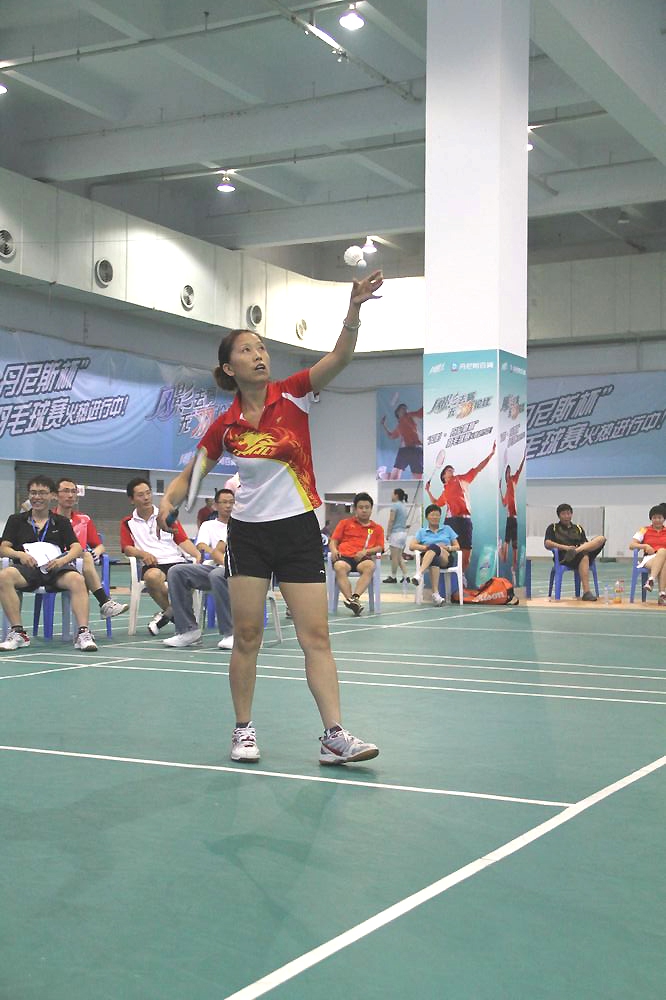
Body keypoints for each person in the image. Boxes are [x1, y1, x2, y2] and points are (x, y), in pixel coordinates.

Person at [159, 270, 383, 765]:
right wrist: (169, 500)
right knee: (247, 636)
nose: (259, 354)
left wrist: (354, 309)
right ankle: (243, 729)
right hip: (249, 537)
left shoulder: (295, 392)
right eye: (247, 349)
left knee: (316, 636)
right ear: (229, 367)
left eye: (261, 347)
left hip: (299, 529)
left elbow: (340, 357)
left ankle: (334, 735)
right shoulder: (226, 425)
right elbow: (193, 471)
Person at [0, 474, 98, 651]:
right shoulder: (16, 520)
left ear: (52, 495)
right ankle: (18, 633)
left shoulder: (61, 521)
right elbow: (3, 548)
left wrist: (63, 560)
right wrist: (19, 555)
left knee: (77, 580)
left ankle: (83, 633)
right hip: (26, 569)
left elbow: (76, 547)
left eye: (42, 493)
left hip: (55, 570)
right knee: (4, 576)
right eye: (33, 493)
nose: (37, 497)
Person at [121, 477, 201, 635]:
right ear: (131, 499)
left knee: (191, 575)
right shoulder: (127, 522)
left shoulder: (165, 516)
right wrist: (143, 553)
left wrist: (197, 554)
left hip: (176, 561)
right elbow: (127, 548)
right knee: (152, 577)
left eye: (148, 493)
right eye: (140, 495)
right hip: (152, 564)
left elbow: (182, 540)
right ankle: (179, 618)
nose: (146, 498)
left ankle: (168, 615)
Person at [164, 487, 235, 648]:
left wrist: (219, 555)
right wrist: (216, 554)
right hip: (215, 568)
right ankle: (188, 630)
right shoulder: (209, 525)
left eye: (232, 502)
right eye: (224, 502)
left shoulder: (242, 523)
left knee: (217, 575)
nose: (228, 506)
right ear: (215, 505)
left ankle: (231, 633)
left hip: (239, 572)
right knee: (177, 572)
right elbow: (203, 546)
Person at [53, 477, 128, 620]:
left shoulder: (84, 520)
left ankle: (87, 623)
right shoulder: (49, 519)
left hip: (80, 565)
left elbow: (99, 545)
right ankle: (104, 602)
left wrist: (96, 553)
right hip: (57, 565)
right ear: (55, 495)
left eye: (73, 491)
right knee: (86, 556)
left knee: (87, 556)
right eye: (66, 491)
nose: (70, 495)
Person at [425, 441, 496, 577]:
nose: (452, 470)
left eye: (452, 469)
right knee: (446, 550)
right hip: (451, 522)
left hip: (465, 521)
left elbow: (478, 468)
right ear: (443, 476)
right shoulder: (445, 492)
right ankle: (445, 575)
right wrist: (428, 491)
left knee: (466, 554)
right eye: (448, 469)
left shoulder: (461, 479)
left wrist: (491, 454)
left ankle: (461, 576)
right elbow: (436, 503)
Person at [330, 493, 385, 615]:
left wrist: (366, 551)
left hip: (363, 558)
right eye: (361, 507)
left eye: (367, 507)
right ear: (355, 509)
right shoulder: (344, 523)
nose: (364, 510)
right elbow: (333, 540)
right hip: (344, 557)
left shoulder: (377, 528)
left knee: (370, 566)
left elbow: (380, 547)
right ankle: (352, 601)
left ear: (371, 509)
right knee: (339, 566)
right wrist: (334, 550)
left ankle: (355, 598)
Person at [544, 503, 606, 601]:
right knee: (584, 556)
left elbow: (585, 542)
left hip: (581, 551)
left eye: (568, 513)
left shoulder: (578, 528)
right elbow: (547, 543)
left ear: (571, 514)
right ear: (559, 515)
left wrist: (579, 548)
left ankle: (576, 551)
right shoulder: (553, 527)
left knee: (601, 538)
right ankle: (586, 592)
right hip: (565, 558)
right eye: (563, 514)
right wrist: (566, 548)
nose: (566, 516)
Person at [409, 504, 460, 605]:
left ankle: (419, 573)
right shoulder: (422, 531)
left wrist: (447, 548)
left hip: (445, 557)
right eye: (432, 515)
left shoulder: (447, 529)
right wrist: (426, 547)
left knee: (435, 548)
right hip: (430, 558)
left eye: (437, 515)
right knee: (434, 557)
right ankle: (436, 595)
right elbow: (411, 546)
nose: (435, 517)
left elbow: (457, 546)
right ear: (427, 517)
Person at [629, 505, 666, 605]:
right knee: (663, 554)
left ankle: (651, 580)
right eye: (654, 517)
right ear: (651, 519)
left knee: (663, 554)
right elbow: (631, 545)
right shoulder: (644, 530)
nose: (657, 520)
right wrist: (645, 546)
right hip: (649, 559)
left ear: (664, 519)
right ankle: (662, 595)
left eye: (659, 517)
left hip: (663, 558)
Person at [499, 451, 526, 578]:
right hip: (509, 519)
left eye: (510, 471)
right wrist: (500, 489)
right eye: (507, 472)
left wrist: (524, 457)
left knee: (515, 545)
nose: (509, 473)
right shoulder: (506, 488)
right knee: (506, 545)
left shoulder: (514, 480)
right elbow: (504, 503)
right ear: (506, 475)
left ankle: (514, 567)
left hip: (514, 518)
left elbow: (519, 470)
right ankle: (501, 550)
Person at [380, 404, 424, 479]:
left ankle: (384, 475)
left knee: (419, 479)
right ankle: (383, 475)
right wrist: (383, 425)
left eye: (406, 408)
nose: (405, 410)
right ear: (398, 413)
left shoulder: (410, 415)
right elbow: (391, 435)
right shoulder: (399, 427)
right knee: (394, 479)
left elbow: (420, 413)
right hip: (404, 451)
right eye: (403, 408)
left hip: (417, 451)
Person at [383, 487, 410, 583]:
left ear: (396, 495)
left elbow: (391, 520)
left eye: (392, 494)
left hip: (396, 534)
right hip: (403, 534)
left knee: (394, 557)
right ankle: (406, 576)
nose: (391, 495)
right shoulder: (404, 506)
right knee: (399, 557)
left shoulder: (395, 506)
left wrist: (388, 533)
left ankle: (393, 577)